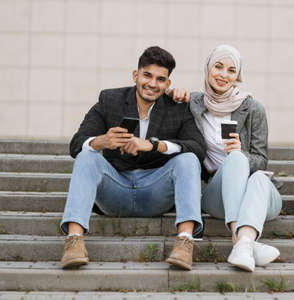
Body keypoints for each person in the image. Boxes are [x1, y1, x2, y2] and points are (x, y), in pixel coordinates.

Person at [60, 46, 206, 271]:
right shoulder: (110, 100)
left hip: (155, 192)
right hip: (114, 190)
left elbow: (198, 148)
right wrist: (102, 141)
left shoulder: (178, 108)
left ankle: (185, 241)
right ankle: (74, 242)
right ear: (135, 75)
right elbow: (76, 144)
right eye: (147, 75)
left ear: (168, 84)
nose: (152, 84)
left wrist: (154, 145)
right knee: (86, 155)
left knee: (188, 160)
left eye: (160, 79)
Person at [168, 45, 282, 272]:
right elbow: (162, 98)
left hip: (258, 195)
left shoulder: (253, 108)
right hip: (217, 193)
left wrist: (240, 153)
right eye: (218, 67)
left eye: (231, 70)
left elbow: (262, 160)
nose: (223, 75)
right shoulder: (194, 103)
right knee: (236, 161)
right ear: (208, 68)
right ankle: (244, 241)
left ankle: (240, 242)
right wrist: (172, 93)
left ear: (237, 76)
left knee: (254, 172)